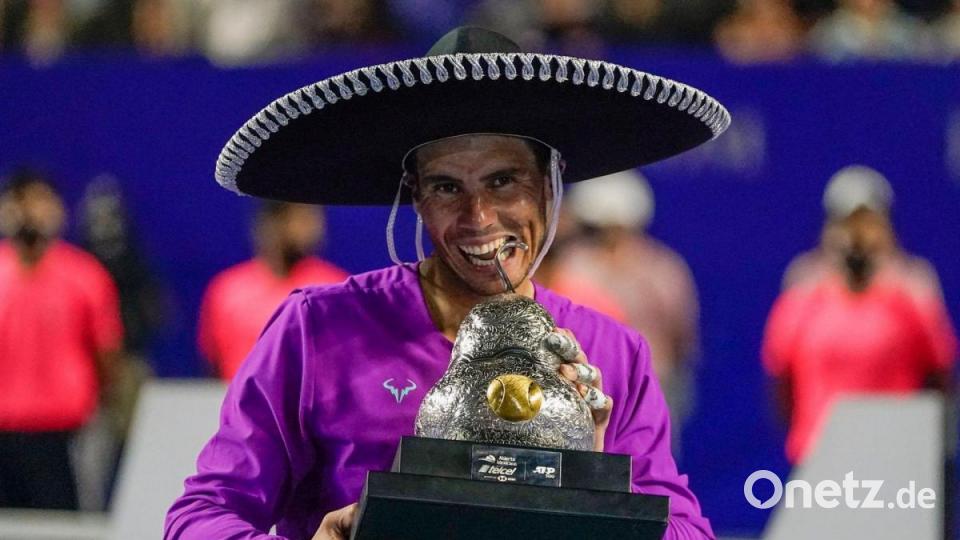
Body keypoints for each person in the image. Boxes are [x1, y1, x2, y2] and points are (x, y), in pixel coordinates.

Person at [166, 26, 730, 539]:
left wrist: (603, 485)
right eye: (445, 187)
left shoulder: (614, 354)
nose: (479, 218)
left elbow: (686, 531)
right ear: (414, 195)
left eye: (503, 181)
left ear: (550, 185)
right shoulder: (316, 330)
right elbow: (200, 518)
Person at [763, 165, 957, 464]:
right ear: (829, 229)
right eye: (847, 224)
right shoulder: (804, 291)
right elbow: (781, 382)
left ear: (886, 228)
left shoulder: (913, 290)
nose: (857, 237)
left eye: (867, 224)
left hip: (896, 459)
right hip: (820, 459)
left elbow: (940, 378)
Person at [0, 168, 123, 510]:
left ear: (59, 209)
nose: (28, 211)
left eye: (39, 200)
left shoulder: (86, 276)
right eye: (18, 201)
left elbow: (106, 353)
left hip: (63, 437)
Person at [559, 169, 700, 457]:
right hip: (582, 391)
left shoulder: (663, 271)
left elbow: (683, 337)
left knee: (648, 473)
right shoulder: (573, 266)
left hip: (652, 388)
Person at [198, 201, 348, 380]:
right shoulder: (227, 289)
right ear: (274, 223)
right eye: (302, 219)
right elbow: (212, 362)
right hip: (238, 402)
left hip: (310, 406)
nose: (315, 229)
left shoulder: (335, 287)